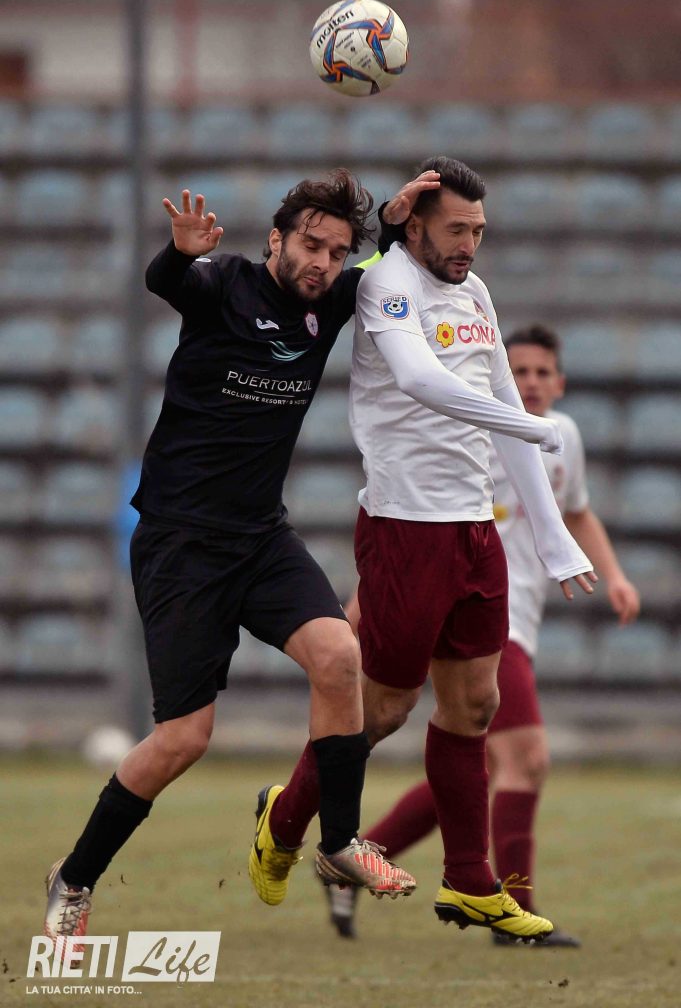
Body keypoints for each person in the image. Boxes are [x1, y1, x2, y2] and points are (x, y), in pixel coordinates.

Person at [42, 170, 425, 950]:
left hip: (259, 537)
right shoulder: (223, 284)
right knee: (183, 741)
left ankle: (338, 843)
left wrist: (389, 224)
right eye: (310, 244)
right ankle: (74, 879)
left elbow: (382, 266)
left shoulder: (330, 301)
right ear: (277, 239)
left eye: (335, 252)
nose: (321, 262)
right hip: (181, 543)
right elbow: (168, 281)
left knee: (338, 655)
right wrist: (179, 255)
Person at [249, 156, 598, 944]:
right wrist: (531, 425)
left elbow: (501, 405)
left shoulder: (475, 294)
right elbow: (417, 380)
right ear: (414, 227)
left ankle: (471, 884)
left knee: (475, 706)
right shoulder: (385, 283)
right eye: (455, 229)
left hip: (474, 530)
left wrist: (554, 540)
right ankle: (285, 819)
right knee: (382, 712)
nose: (468, 243)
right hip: (405, 529)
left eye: (478, 230)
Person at [325, 324, 640, 943]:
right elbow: (415, 522)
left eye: (542, 373)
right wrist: (362, 608)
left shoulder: (562, 437)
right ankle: (512, 910)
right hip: (481, 620)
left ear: (560, 382)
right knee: (527, 759)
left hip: (514, 622)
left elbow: (576, 510)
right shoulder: (475, 433)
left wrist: (617, 575)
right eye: (518, 372)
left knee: (480, 770)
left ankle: (349, 862)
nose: (530, 383)